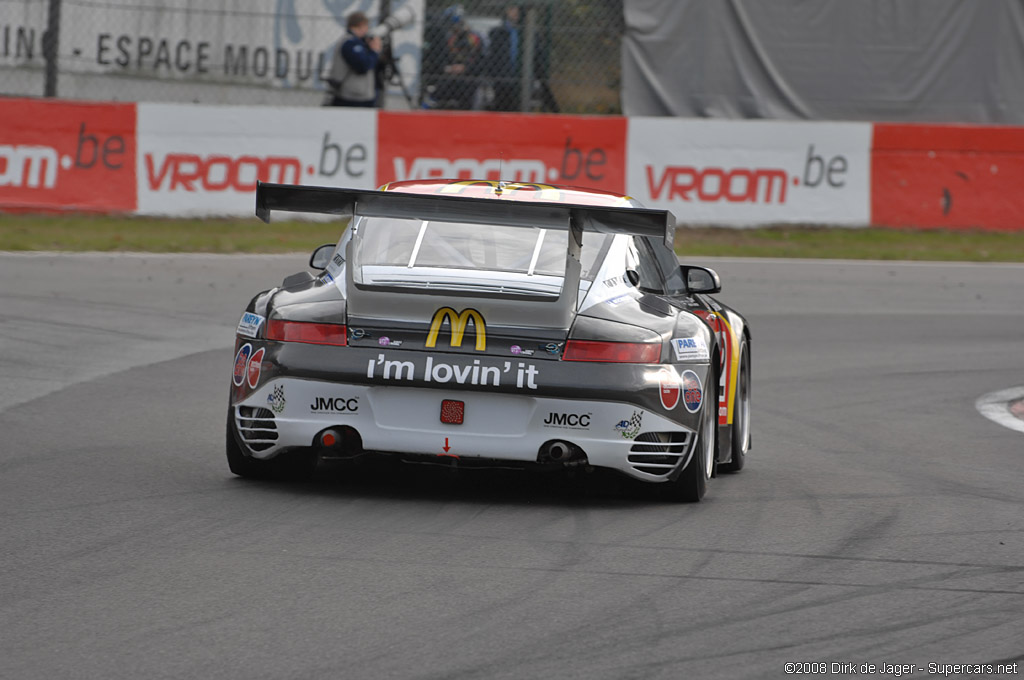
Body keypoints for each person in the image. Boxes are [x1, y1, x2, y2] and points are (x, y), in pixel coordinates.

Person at [325, 11, 382, 107]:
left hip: (358, 96)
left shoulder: (359, 42)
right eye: (366, 26)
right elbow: (363, 66)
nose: (367, 29)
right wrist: (374, 51)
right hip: (351, 97)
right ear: (360, 25)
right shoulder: (350, 43)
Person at [485, 5, 521, 111]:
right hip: (502, 80)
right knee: (501, 109)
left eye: (518, 9)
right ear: (507, 11)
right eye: (513, 8)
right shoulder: (496, 32)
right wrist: (493, 77)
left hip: (520, 80)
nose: (516, 12)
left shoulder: (528, 32)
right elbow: (491, 57)